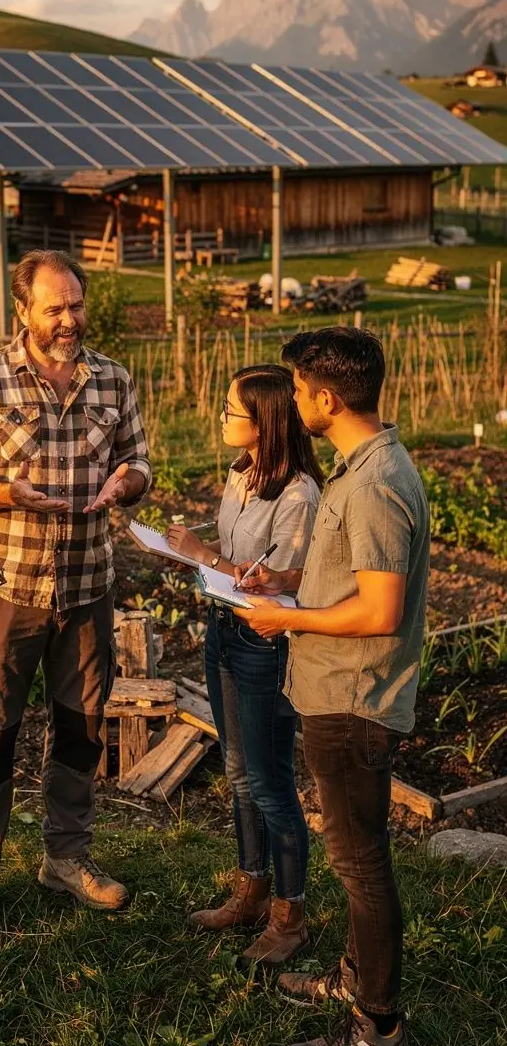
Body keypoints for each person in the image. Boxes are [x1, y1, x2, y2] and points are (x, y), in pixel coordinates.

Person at [0, 249, 151, 938]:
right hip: (8, 586)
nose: (69, 319)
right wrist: (8, 493)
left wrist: (127, 484)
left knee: (82, 729)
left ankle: (66, 856)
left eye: (77, 305)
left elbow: (139, 459)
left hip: (87, 583)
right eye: (55, 308)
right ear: (22, 311)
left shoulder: (113, 380)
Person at [234, 328, 430, 1046]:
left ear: (324, 397)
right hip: (338, 692)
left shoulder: (376, 483)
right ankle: (355, 981)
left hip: (354, 701)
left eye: (297, 386)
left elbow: (378, 611)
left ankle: (379, 1033)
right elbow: (353, 582)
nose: (292, 398)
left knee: (359, 865)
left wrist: (289, 621)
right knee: (357, 859)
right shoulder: (365, 465)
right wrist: (287, 587)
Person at [166, 365, 321, 966]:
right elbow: (240, 561)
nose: (223, 418)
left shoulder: (299, 494)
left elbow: (281, 586)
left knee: (271, 782)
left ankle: (291, 915)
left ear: (267, 421)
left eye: (232, 410)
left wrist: (205, 556)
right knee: (236, 771)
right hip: (223, 632)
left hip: (264, 643)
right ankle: (251, 889)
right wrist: (201, 558)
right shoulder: (241, 474)